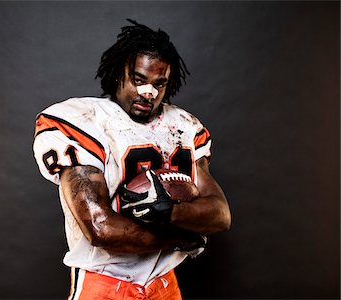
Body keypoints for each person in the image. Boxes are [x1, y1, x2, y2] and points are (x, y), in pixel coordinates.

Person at [33, 19, 231, 300]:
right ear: (118, 74)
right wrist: (181, 236)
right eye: (138, 79)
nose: (148, 92)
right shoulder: (85, 120)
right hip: (105, 283)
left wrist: (168, 213)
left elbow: (220, 214)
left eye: (159, 84)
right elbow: (100, 228)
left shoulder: (184, 125)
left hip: (164, 282)